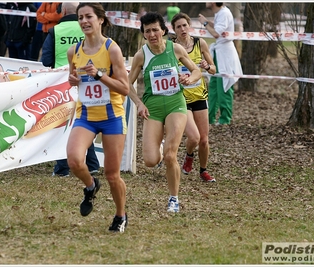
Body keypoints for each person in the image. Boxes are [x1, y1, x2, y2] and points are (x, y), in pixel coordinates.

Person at [127, 12, 202, 212]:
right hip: (153, 107)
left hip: (176, 104)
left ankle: (173, 199)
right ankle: (159, 149)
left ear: (163, 30)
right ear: (143, 34)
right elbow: (127, 85)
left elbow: (196, 71)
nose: (152, 34)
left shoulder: (175, 48)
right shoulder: (141, 55)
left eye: (155, 30)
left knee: (170, 155)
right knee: (151, 161)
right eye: (147, 31)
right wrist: (139, 104)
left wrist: (189, 79)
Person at [66, 3, 129, 232]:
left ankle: (120, 215)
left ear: (100, 19)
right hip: (86, 115)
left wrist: (100, 74)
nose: (84, 21)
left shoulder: (112, 49)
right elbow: (73, 79)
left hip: (112, 115)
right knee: (74, 160)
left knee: (112, 174)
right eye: (80, 17)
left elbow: (124, 88)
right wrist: (73, 81)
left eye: (88, 17)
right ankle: (91, 186)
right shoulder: (74, 51)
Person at [41, 1, 100, 176]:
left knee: (63, 125)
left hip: (64, 83)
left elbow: (46, 60)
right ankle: (92, 164)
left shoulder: (55, 31)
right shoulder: (90, 27)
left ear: (63, 10)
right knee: (85, 121)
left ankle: (62, 168)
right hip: (89, 82)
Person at [171, 12, 216, 182]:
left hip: (199, 95)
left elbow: (213, 69)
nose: (182, 29)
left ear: (189, 26)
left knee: (204, 140)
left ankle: (203, 171)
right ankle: (189, 155)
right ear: (174, 30)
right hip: (181, 97)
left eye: (184, 25)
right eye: (178, 27)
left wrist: (207, 66)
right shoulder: (171, 47)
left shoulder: (200, 43)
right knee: (194, 137)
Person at [198, 3, 243, 125]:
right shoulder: (220, 13)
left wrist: (205, 23)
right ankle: (210, 117)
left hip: (225, 54)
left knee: (224, 86)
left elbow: (216, 33)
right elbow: (218, 28)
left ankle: (224, 119)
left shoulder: (224, 13)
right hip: (218, 52)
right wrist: (208, 22)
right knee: (213, 86)